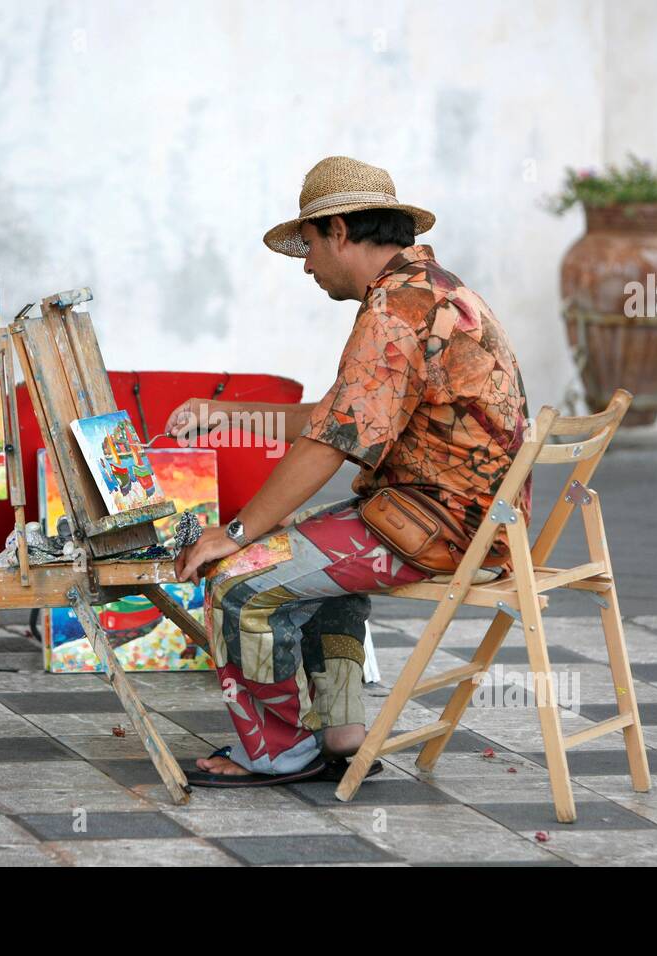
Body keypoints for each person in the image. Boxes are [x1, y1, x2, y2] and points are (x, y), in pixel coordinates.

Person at [168, 156, 532, 786]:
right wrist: (223, 414)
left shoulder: (394, 309)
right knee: (307, 556)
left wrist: (232, 533)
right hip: (475, 522)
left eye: (308, 245)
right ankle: (340, 731)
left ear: (338, 230)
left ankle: (276, 751)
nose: (306, 264)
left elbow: (329, 444)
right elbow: (341, 416)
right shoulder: (429, 288)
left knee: (238, 578)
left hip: (443, 530)